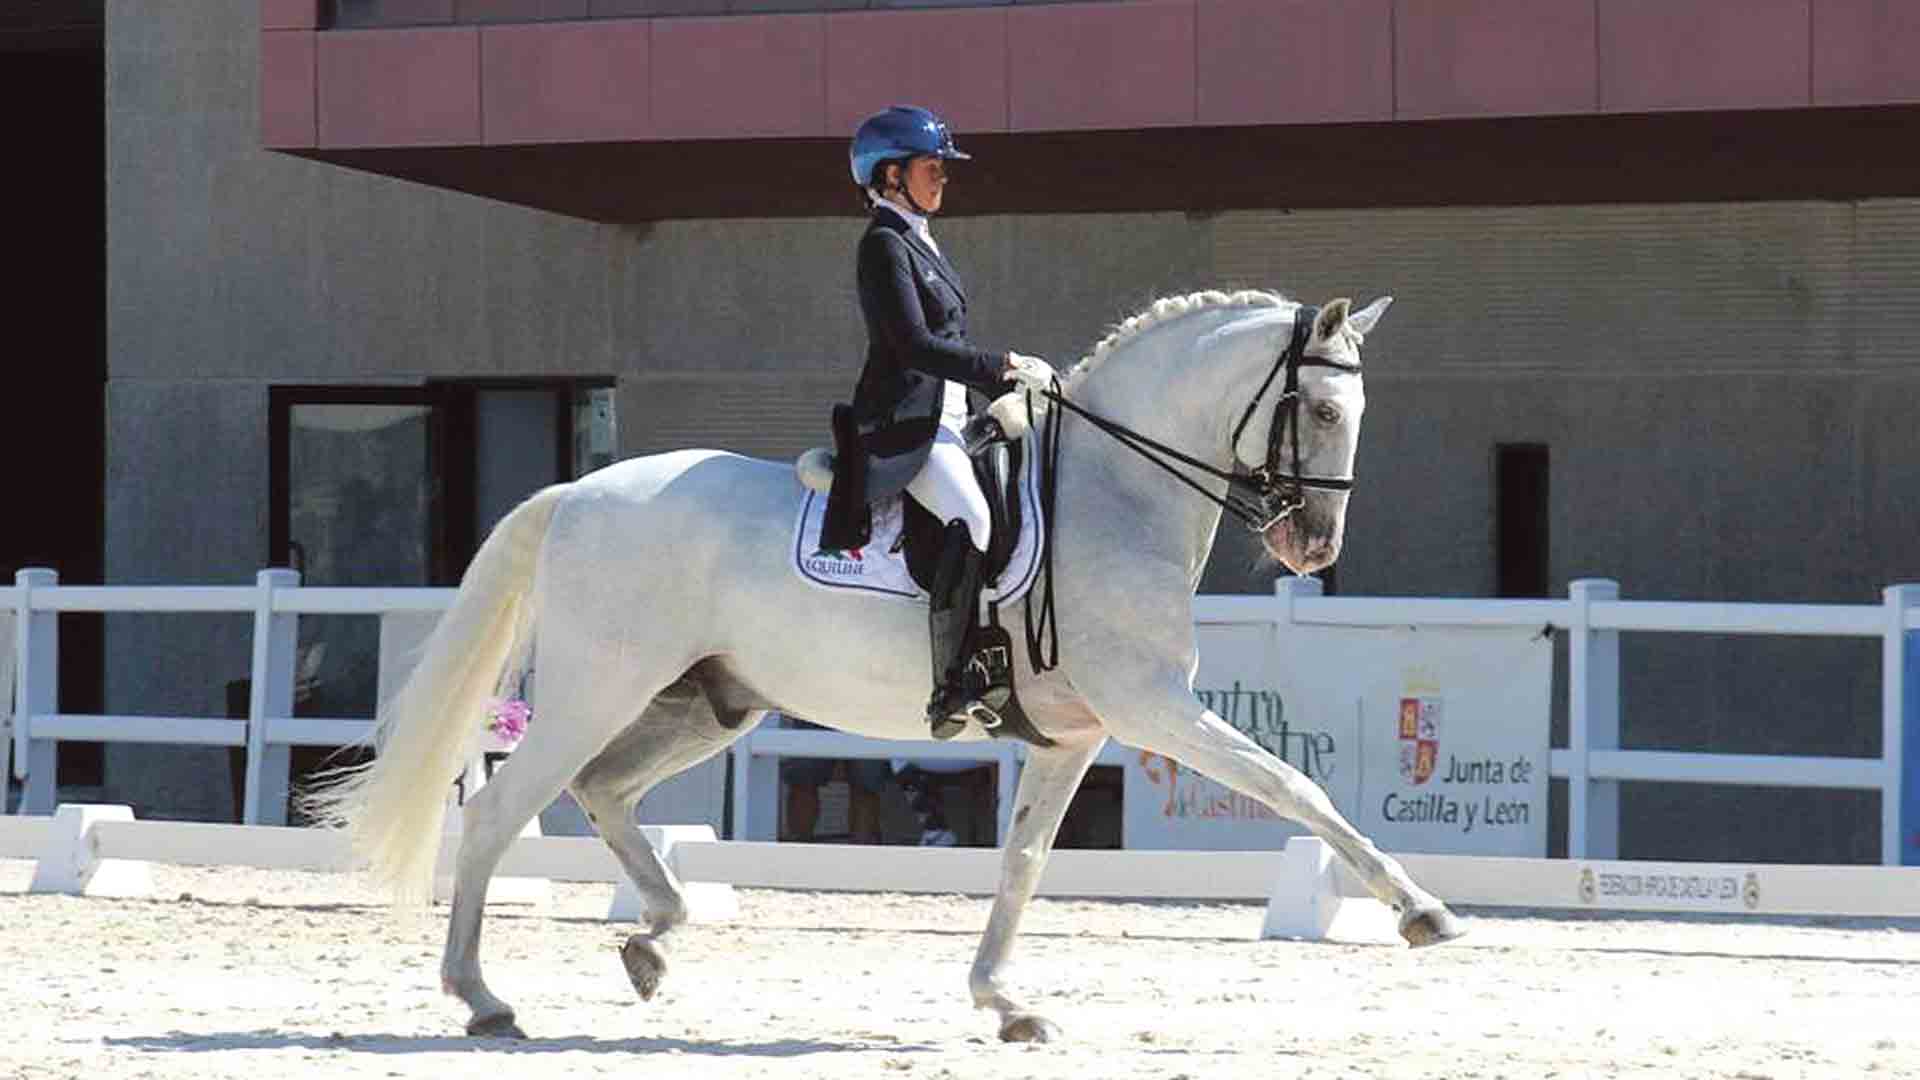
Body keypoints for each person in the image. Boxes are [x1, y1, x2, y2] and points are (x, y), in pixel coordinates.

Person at [845, 105, 1057, 740]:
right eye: (930, 168)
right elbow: (912, 345)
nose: (943, 178)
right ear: (890, 175)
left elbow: (948, 340)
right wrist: (1000, 365)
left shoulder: (919, 240)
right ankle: (952, 685)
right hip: (906, 423)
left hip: (953, 418)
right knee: (973, 516)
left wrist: (997, 386)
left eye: (942, 168)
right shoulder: (884, 244)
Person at [779, 716, 887, 844]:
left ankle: (862, 851)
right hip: (813, 710)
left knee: (866, 783)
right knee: (803, 778)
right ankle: (798, 849)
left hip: (868, 712)